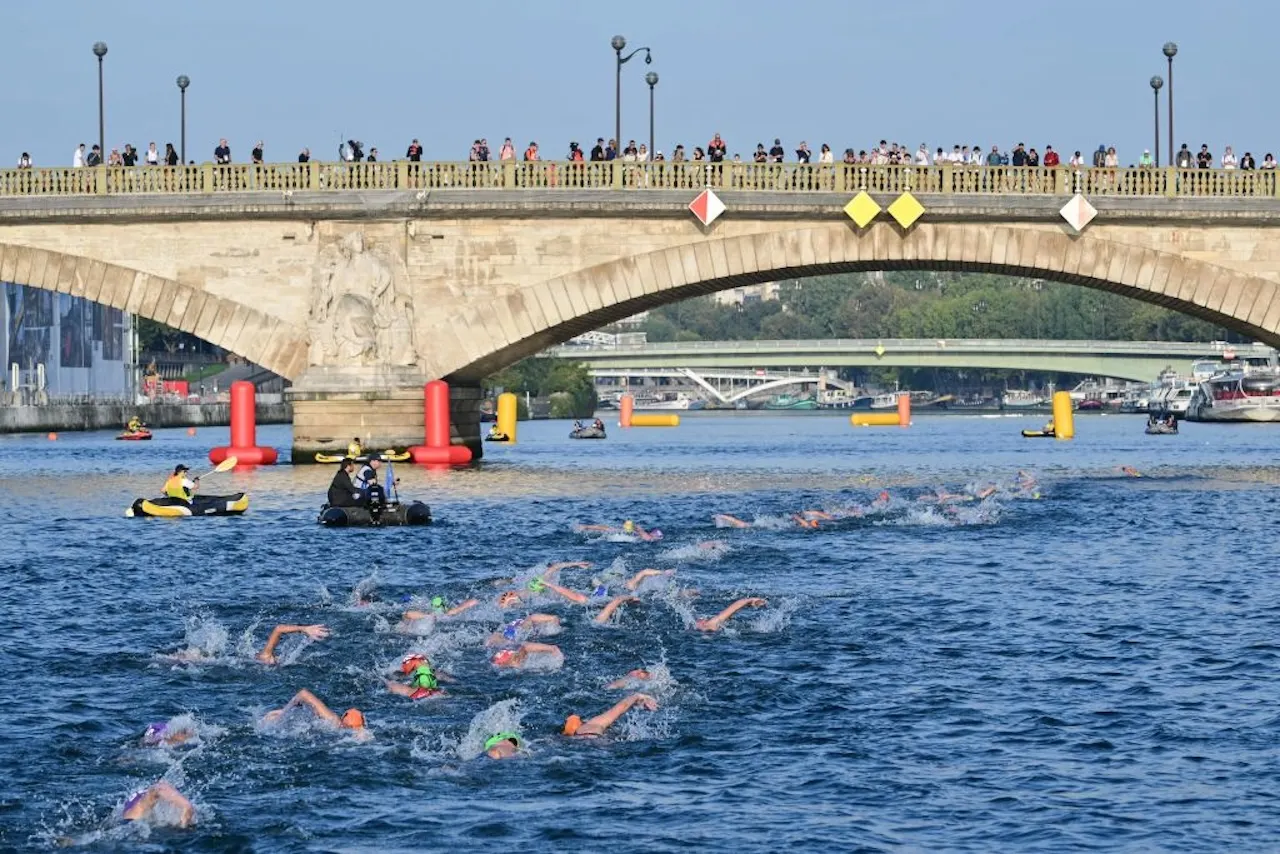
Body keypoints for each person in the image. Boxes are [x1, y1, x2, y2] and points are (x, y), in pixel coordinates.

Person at [263, 689, 369, 739]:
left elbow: (303, 694)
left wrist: (283, 713)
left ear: (342, 718)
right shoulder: (360, 735)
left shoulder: (333, 721)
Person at [562, 693, 658, 738]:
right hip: (598, 743)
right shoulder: (591, 726)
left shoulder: (563, 740)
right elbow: (621, 707)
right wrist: (638, 696)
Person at [121, 781, 195, 828]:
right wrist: (187, 805)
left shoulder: (136, 806)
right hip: (132, 823)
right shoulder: (137, 811)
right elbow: (159, 788)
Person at [255, 624, 330, 665]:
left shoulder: (267, 656)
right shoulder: (265, 657)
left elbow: (278, 629)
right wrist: (305, 629)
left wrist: (304, 629)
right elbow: (278, 629)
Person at [695, 597, 767, 632]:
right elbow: (735, 606)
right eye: (702, 619)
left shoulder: (697, 628)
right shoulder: (712, 623)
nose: (701, 619)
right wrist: (751, 600)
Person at [486, 614, 561, 646]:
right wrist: (553, 618)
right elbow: (531, 618)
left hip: (510, 632)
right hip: (513, 631)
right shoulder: (525, 626)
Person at [491, 641, 562, 669]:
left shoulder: (513, 660)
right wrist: (550, 648)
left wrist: (550, 648)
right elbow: (525, 648)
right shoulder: (514, 660)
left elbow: (525, 648)